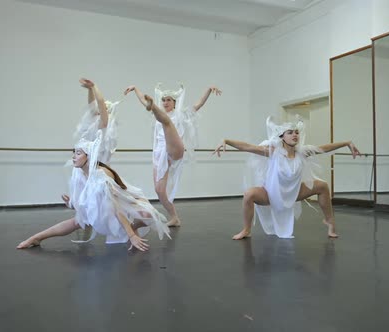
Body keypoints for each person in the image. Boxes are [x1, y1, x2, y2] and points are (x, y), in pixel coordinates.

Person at [18, 131, 170, 251]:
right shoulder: (78, 172)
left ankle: (131, 227)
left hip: (122, 203)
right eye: (74, 152)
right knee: (78, 221)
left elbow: (116, 206)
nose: (73, 157)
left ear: (88, 157)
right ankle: (36, 238)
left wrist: (131, 235)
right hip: (103, 204)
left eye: (78, 153)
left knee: (149, 214)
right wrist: (71, 203)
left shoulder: (101, 175)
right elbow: (84, 198)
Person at [213, 116, 360, 240]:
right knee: (249, 194)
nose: (295, 135)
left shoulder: (303, 152)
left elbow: (324, 148)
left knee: (322, 186)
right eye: (290, 132)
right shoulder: (273, 152)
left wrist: (347, 143)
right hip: (271, 194)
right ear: (282, 136)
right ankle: (246, 229)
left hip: (293, 193)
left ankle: (329, 221)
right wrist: (226, 141)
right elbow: (248, 147)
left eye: (296, 132)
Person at [124, 83, 221, 227]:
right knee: (159, 190)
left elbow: (199, 103)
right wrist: (135, 89)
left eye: (169, 100)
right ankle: (174, 217)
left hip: (175, 148)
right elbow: (144, 101)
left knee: (166, 122)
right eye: (163, 100)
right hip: (160, 151)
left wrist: (208, 90)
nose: (165, 102)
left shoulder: (181, 114)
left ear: (175, 102)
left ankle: (155, 108)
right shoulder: (158, 112)